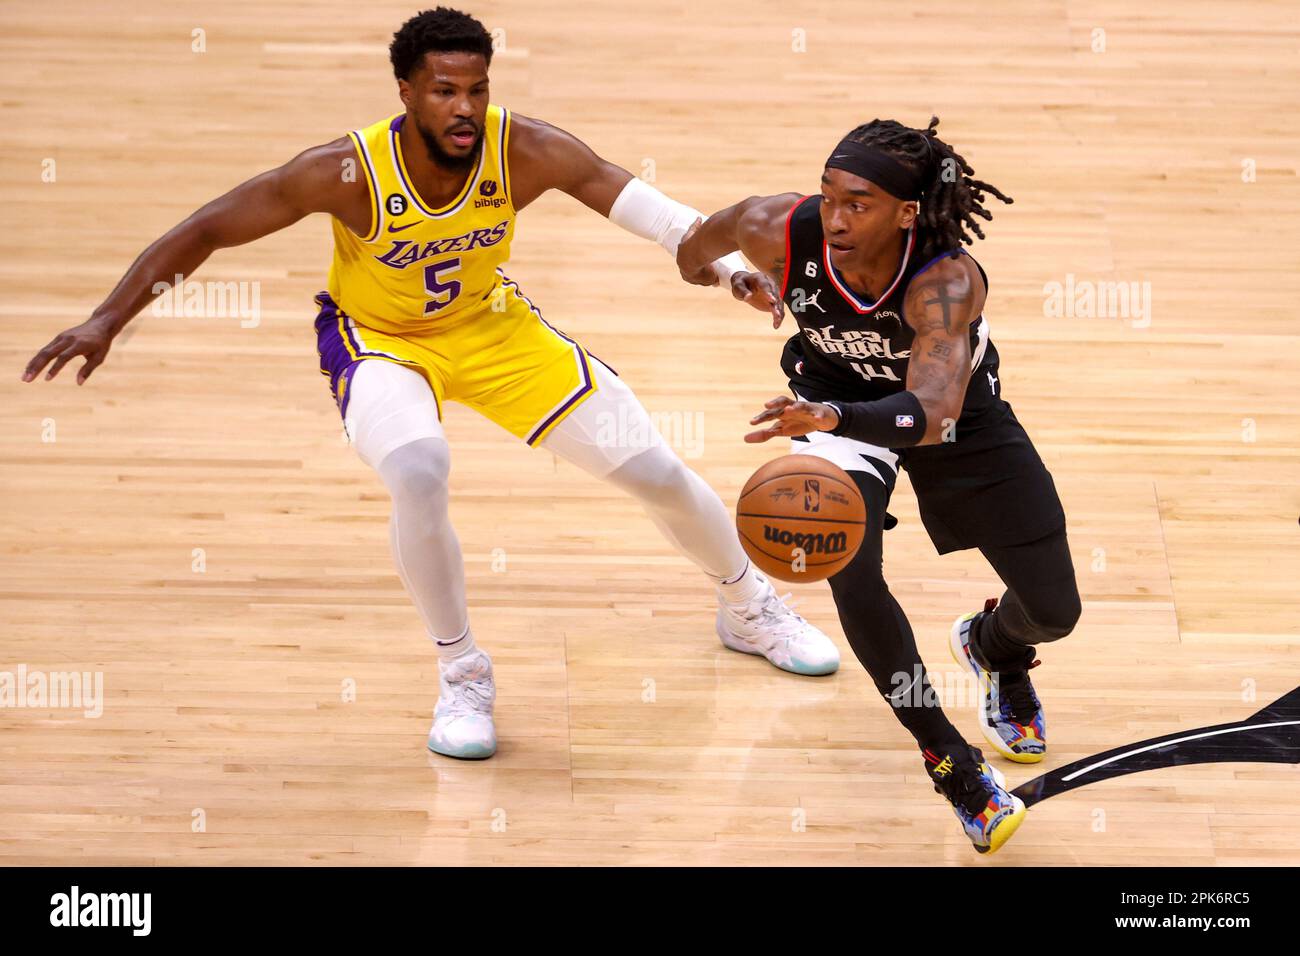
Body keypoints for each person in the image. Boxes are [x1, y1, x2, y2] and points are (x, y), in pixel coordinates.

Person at [21, 7, 840, 762]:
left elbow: (658, 217)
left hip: (494, 330)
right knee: (419, 470)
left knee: (656, 470)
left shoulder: (523, 149)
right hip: (378, 343)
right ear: (405, 91)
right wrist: (107, 319)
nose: (463, 106)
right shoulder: (343, 172)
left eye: (477, 88)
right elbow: (206, 228)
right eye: (444, 89)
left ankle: (747, 605)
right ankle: (463, 675)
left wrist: (730, 268)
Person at [676, 116, 1081, 853]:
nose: (833, 217)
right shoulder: (774, 224)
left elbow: (931, 413)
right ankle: (948, 758)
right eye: (828, 195)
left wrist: (835, 414)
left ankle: (997, 648)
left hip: (949, 417)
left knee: (1055, 608)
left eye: (856, 203)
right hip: (828, 406)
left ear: (906, 212)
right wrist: (738, 277)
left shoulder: (946, 279)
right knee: (850, 570)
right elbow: (690, 250)